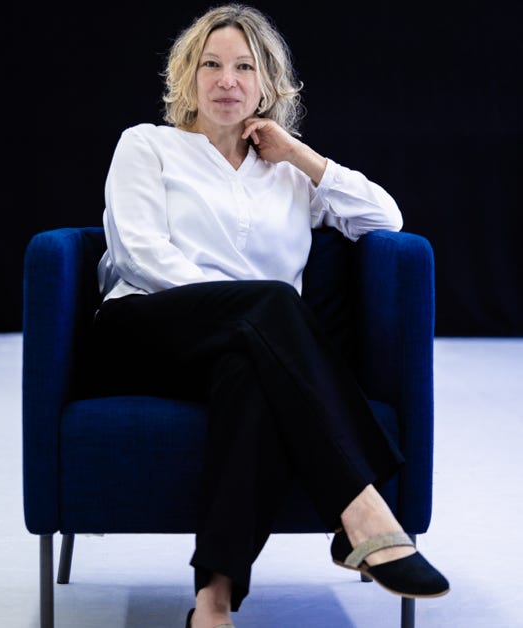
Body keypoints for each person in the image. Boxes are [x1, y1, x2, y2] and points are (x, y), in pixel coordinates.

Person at [94, 4, 450, 627]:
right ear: (188, 77)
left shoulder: (286, 174)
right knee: (270, 305)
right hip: (145, 331)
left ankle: (212, 605)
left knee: (252, 376)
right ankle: (362, 508)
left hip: (246, 352)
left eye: (244, 67)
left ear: (267, 84)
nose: (226, 81)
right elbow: (141, 255)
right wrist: (248, 310)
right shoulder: (148, 145)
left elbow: (385, 218)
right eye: (211, 65)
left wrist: (301, 157)